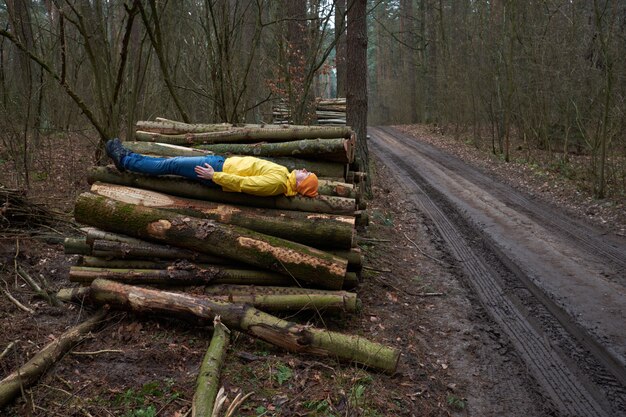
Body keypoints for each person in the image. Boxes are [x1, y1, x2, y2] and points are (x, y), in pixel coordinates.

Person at [105, 138, 318, 198]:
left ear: (302, 184)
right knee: (171, 162)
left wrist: (215, 176)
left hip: (216, 172)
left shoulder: (278, 184)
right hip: (220, 164)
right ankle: (129, 158)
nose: (305, 171)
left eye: (307, 175)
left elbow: (244, 184)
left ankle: (124, 159)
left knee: (170, 164)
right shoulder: (284, 176)